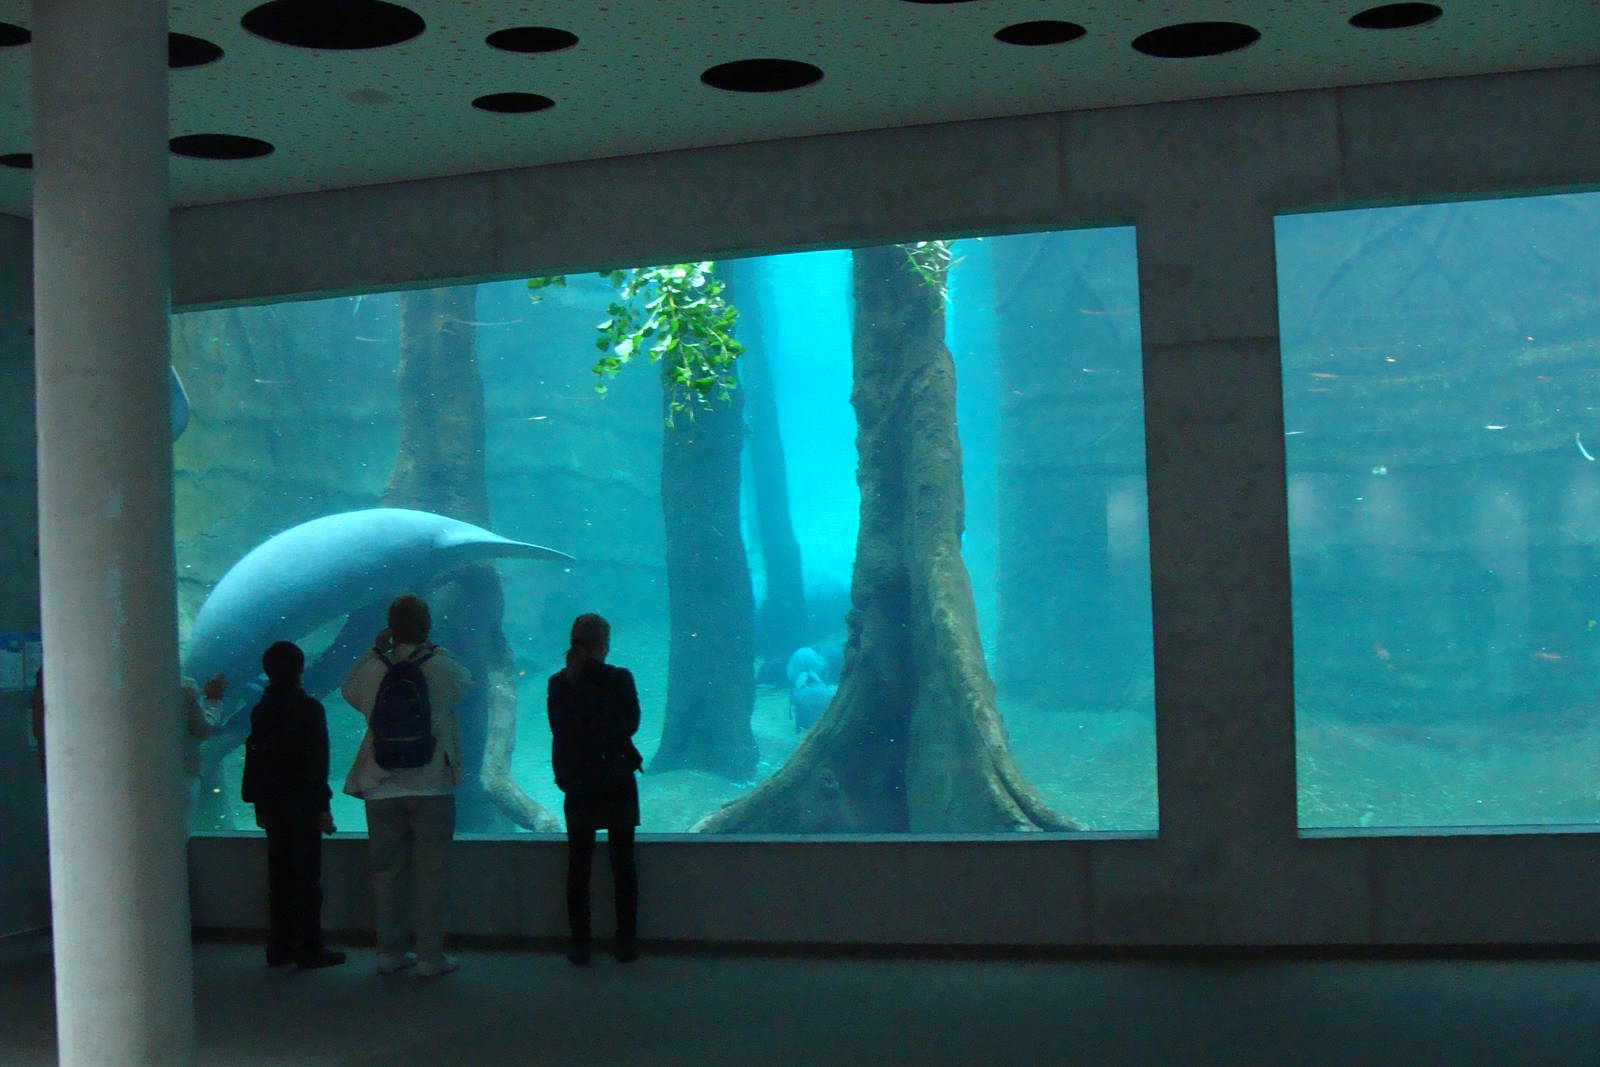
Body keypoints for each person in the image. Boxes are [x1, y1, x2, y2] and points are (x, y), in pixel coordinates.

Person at [342, 593, 473, 978]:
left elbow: (350, 693)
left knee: (386, 871)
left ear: (389, 627)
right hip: (431, 782)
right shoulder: (442, 666)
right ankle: (431, 957)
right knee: (432, 873)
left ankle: (389, 952)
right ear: (427, 625)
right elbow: (466, 682)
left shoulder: (373, 668)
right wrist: (434, 648)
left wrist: (375, 650)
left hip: (381, 783)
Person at [241, 641, 343, 969]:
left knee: (280, 876)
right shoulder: (310, 709)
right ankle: (309, 947)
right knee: (307, 880)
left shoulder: (261, 710)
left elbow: (255, 757)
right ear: (301, 670)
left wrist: (256, 801)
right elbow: (317, 764)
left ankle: (279, 947)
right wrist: (322, 807)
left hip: (273, 805)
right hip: (302, 804)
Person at [547, 612, 642, 965]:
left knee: (579, 865)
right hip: (616, 778)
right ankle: (626, 943)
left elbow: (561, 729)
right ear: (604, 643)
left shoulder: (559, 683)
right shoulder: (619, 678)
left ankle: (580, 944)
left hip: (579, 783)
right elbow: (630, 724)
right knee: (623, 865)